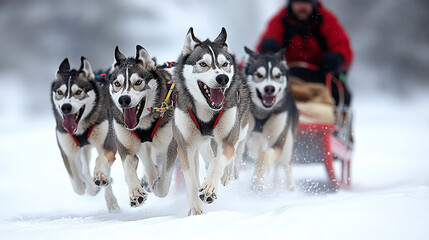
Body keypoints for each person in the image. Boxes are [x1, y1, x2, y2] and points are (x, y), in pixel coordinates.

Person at [256, 0, 353, 107]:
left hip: (322, 75)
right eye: (298, 2)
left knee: (343, 97)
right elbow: (268, 39)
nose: (302, 6)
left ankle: (334, 117)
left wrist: (338, 57)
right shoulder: (281, 20)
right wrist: (268, 48)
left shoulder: (326, 20)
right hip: (288, 76)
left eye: (306, 2)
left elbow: (342, 46)